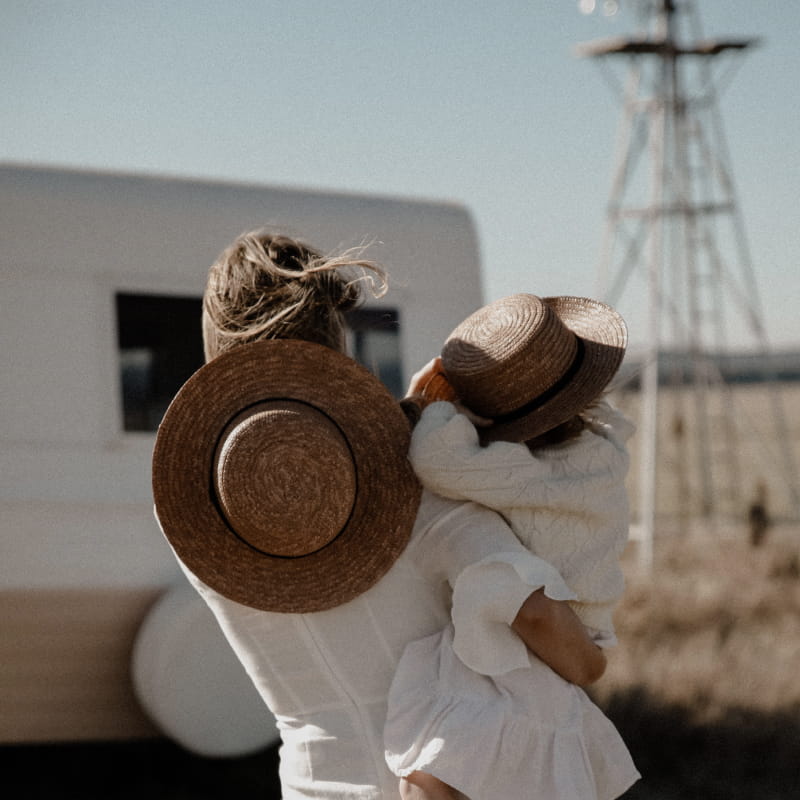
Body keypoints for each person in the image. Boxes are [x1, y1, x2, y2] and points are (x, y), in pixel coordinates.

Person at [152, 231, 609, 800]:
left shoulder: (201, 516)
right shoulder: (414, 497)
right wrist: (591, 665)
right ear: (336, 348)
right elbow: (540, 620)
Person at [384, 293, 641, 799]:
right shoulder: (603, 451)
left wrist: (431, 404)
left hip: (543, 642)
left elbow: (435, 460)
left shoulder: (515, 472)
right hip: (584, 631)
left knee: (437, 772)